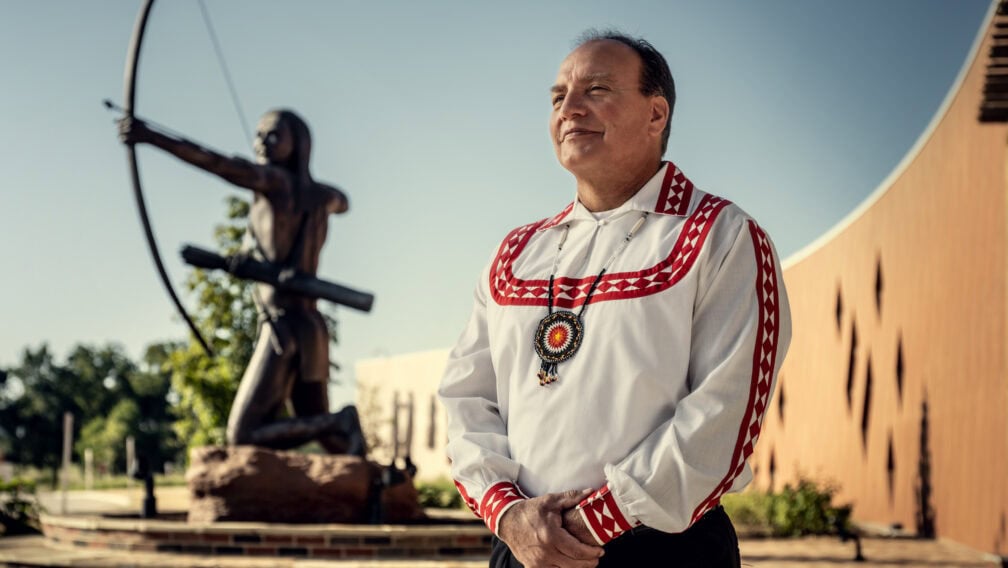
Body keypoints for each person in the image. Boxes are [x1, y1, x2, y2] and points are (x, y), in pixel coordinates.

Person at [438, 31, 791, 567]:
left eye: (596, 90)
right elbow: (466, 400)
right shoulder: (514, 252)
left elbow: (723, 418)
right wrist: (510, 515)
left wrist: (592, 521)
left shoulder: (719, 236)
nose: (570, 109)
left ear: (656, 114)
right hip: (524, 547)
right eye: (558, 98)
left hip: (662, 552)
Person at [119, 109, 364, 456]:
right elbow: (343, 202)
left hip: (284, 328)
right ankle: (368, 474)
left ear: (298, 145)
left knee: (243, 434)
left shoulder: (275, 183)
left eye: (275, 135)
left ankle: (342, 421)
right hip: (311, 328)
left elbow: (218, 163)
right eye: (260, 133)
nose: (263, 141)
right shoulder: (319, 195)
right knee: (327, 437)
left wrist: (151, 136)